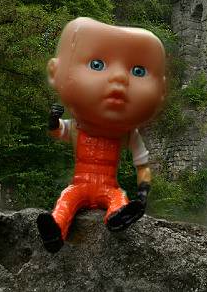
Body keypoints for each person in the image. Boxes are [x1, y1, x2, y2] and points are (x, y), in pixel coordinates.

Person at [36, 17, 166, 253]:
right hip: (80, 183)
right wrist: (53, 120)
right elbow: (58, 132)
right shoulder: (77, 127)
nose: (119, 79)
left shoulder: (127, 134)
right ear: (55, 72)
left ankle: (117, 218)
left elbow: (142, 164)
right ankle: (54, 230)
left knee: (117, 199)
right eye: (97, 64)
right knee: (67, 200)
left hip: (108, 185)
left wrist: (143, 190)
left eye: (138, 71)